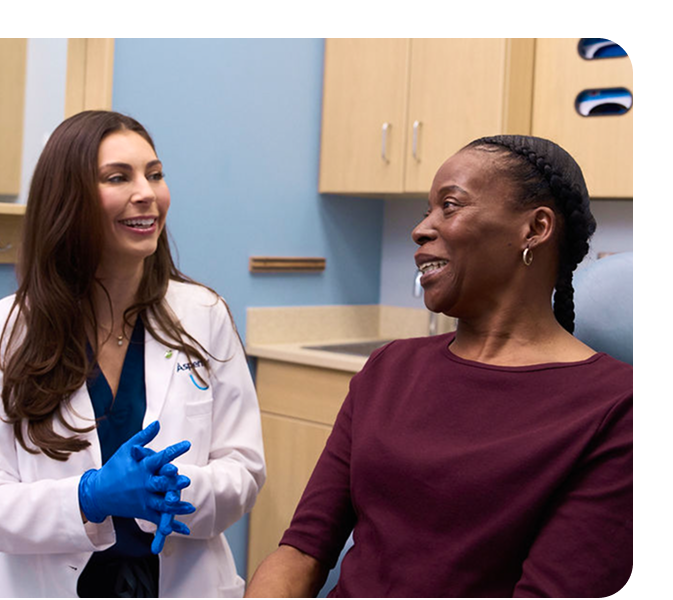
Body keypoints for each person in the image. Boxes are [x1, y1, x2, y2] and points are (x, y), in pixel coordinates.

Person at [245, 135, 632, 598]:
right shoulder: (389, 369)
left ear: (536, 228)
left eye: (449, 206)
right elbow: (302, 550)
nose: (422, 229)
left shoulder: (618, 409)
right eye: (426, 211)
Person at [0, 110, 266, 598]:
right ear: (69, 199)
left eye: (155, 174)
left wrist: (175, 488)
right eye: (118, 177)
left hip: (183, 582)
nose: (146, 192)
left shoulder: (204, 313)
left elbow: (245, 468)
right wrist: (88, 497)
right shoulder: (8, 328)